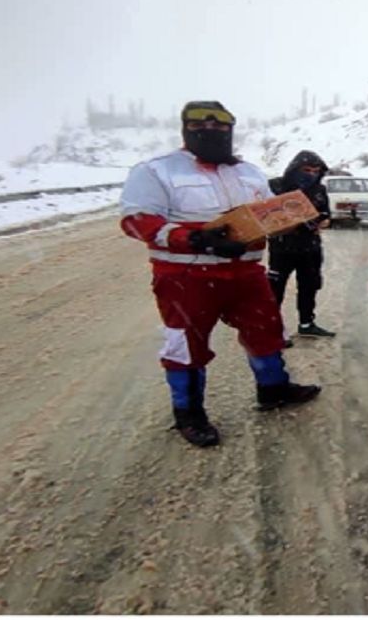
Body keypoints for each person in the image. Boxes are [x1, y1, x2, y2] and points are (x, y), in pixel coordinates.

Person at [119, 100, 320, 448]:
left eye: (221, 125)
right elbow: (136, 221)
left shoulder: (249, 172)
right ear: (184, 127)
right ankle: (189, 413)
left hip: (246, 272)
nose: (211, 130)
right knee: (185, 344)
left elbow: (270, 211)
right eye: (199, 124)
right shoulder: (155, 170)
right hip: (186, 276)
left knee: (266, 330)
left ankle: (273, 389)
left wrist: (291, 222)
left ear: (232, 128)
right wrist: (198, 238)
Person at [268, 150, 336, 339]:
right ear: (294, 168)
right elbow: (263, 214)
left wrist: (320, 222)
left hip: (311, 246)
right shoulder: (275, 185)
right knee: (275, 289)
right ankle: (273, 330)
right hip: (282, 246)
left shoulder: (319, 190)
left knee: (310, 285)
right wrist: (290, 222)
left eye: (316, 170)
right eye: (306, 169)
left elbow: (326, 215)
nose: (311, 174)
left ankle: (307, 323)